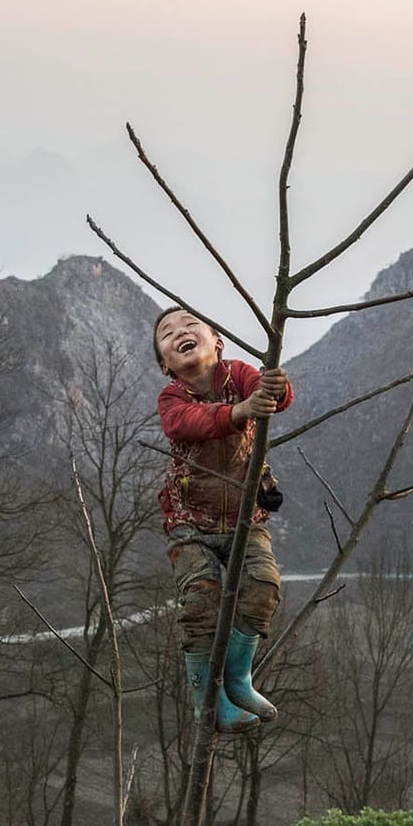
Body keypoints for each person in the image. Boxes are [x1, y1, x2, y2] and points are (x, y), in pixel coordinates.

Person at [152, 305, 294, 735]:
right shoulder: (172, 398)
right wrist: (238, 412)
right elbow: (185, 425)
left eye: (191, 324)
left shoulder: (240, 374)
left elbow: (277, 397)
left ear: (218, 341)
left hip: (245, 521)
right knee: (200, 600)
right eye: (167, 333)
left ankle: (238, 681)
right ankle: (206, 701)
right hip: (189, 523)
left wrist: (276, 385)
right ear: (165, 363)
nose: (180, 331)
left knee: (263, 588)